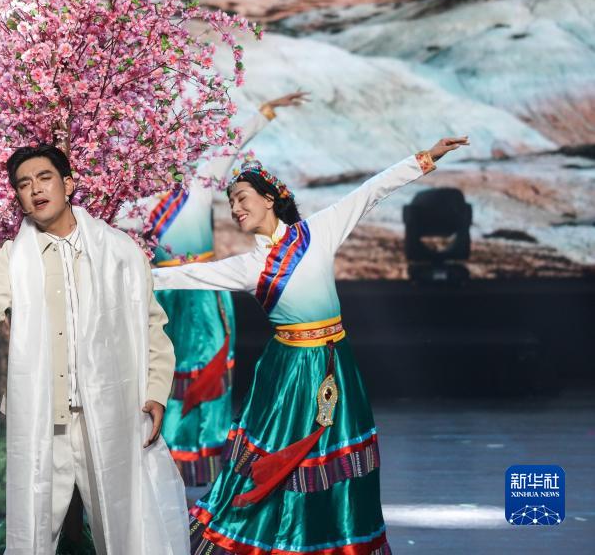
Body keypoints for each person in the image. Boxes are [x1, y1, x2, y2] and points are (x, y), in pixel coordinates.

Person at [153, 137, 468, 555]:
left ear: (270, 199)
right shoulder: (250, 265)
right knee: (283, 458)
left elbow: (371, 190)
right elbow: (181, 276)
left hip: (336, 364)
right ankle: (283, 540)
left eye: (242, 198)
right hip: (289, 373)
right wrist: (122, 272)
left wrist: (426, 158)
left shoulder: (318, 231)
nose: (236, 208)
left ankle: (335, 541)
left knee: (339, 458)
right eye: (231, 203)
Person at [0, 144, 189, 555]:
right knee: (32, 530)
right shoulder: (13, 256)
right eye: (23, 184)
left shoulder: (118, 250)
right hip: (44, 417)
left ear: (68, 184)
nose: (35, 190)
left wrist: (155, 391)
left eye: (44, 178)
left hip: (111, 412)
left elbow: (151, 324)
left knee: (126, 524)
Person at [141, 92, 306, 486]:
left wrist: (265, 112)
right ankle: (167, 454)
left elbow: (232, 145)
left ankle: (208, 455)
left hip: (204, 293)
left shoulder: (197, 185)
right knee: (168, 373)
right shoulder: (136, 206)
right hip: (165, 297)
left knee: (212, 370)